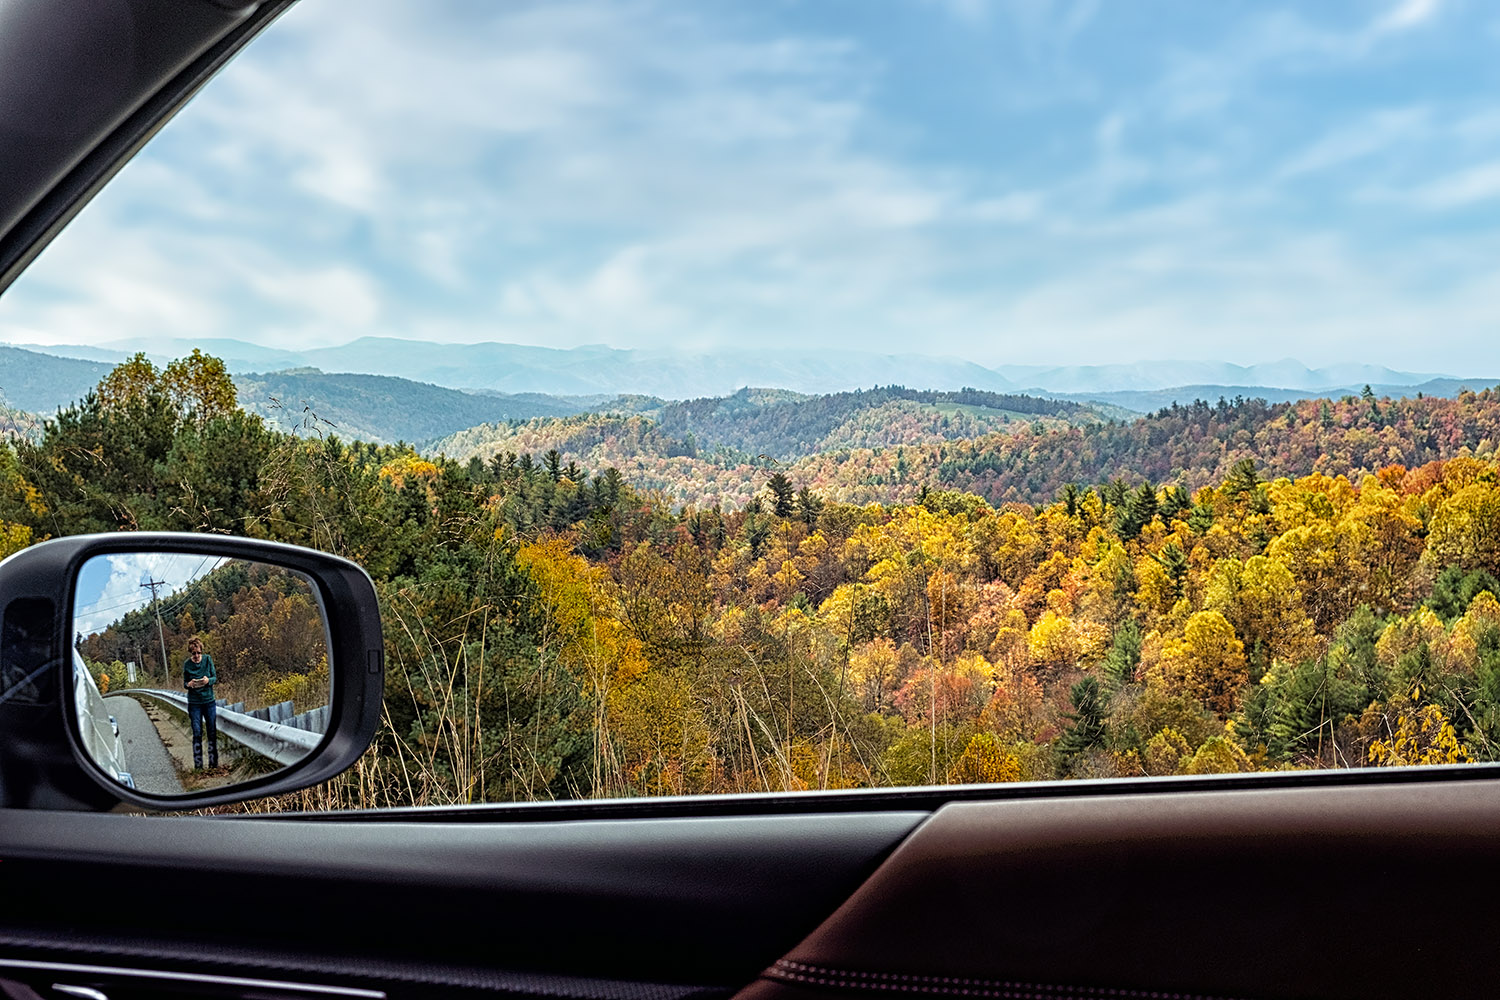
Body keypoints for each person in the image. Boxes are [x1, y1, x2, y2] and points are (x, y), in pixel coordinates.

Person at [182, 637, 218, 769]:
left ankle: (213, 764)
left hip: (209, 701)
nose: (196, 656)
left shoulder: (208, 660)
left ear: (201, 651)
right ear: (190, 653)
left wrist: (207, 681)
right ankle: (198, 765)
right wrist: (190, 684)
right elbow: (185, 683)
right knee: (197, 732)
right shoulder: (187, 664)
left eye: (198, 653)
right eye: (193, 653)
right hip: (194, 703)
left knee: (212, 732)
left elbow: (215, 678)